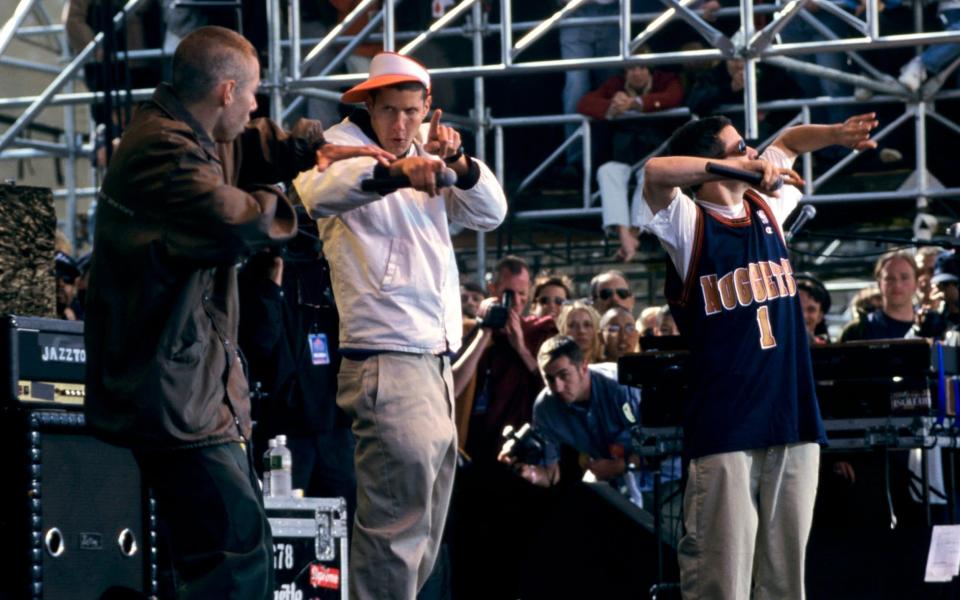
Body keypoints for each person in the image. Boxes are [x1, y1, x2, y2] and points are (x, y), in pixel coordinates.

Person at [83, 26, 390, 598]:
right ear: (226, 91)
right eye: (250, 95)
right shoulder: (167, 153)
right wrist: (297, 198)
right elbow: (240, 220)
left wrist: (308, 147)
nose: (255, 107)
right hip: (174, 397)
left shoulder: (191, 130)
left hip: (184, 389)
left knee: (214, 551)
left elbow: (248, 144)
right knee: (236, 552)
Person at [292, 52, 507, 599]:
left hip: (430, 362)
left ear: (428, 109)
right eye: (388, 110)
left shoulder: (426, 154)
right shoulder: (340, 150)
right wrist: (395, 173)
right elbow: (317, 194)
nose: (400, 124)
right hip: (387, 359)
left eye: (411, 111)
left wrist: (457, 163)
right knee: (396, 533)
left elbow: (492, 212)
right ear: (368, 105)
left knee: (423, 529)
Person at [640, 112, 879, 599]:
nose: (751, 154)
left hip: (792, 418)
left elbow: (790, 141)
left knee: (786, 583)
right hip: (726, 427)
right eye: (737, 149)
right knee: (721, 582)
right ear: (712, 164)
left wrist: (835, 136)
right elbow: (655, 173)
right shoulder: (689, 223)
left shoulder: (767, 206)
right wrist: (732, 168)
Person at [499, 335, 640, 489]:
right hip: (614, 480)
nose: (557, 387)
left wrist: (623, 465)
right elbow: (550, 476)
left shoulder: (621, 387)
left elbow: (664, 444)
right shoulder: (546, 409)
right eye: (549, 378)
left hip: (662, 474)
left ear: (584, 367)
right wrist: (528, 472)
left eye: (564, 375)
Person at [577, 60, 684, 262]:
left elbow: (674, 96)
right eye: (632, 68)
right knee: (607, 171)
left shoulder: (665, 80)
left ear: (650, 69)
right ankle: (624, 233)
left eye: (642, 67)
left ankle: (632, 235)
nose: (637, 73)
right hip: (623, 155)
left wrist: (637, 103)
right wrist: (612, 106)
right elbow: (584, 103)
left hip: (654, 153)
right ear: (625, 72)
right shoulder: (614, 84)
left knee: (650, 173)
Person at [455, 255, 558, 462]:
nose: (517, 302)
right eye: (509, 294)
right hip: (477, 446)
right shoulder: (471, 332)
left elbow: (555, 388)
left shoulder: (540, 331)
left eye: (522, 294)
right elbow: (453, 387)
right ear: (493, 289)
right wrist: (485, 333)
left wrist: (521, 348)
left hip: (526, 446)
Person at [840, 251, 918, 342]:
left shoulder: (931, 328)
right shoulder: (857, 331)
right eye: (889, 278)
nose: (897, 285)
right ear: (879, 283)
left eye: (904, 277)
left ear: (916, 283)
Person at [796, 273, 832, 344]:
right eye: (797, 309)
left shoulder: (829, 352)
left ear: (820, 316)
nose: (804, 316)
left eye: (811, 310)